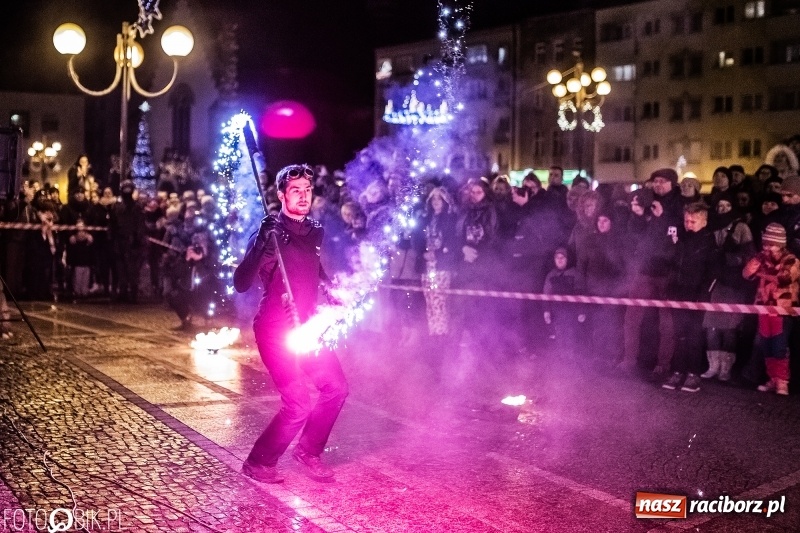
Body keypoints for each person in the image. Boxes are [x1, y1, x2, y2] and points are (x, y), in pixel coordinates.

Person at [233, 164, 348, 484]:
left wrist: (334, 293)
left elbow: (315, 272)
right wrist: (259, 243)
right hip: (274, 330)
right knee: (298, 401)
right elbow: (241, 282)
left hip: (307, 326)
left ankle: (308, 451)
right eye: (295, 190)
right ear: (281, 194)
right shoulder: (268, 231)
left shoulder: (315, 231)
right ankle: (258, 462)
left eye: (307, 190)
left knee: (336, 388)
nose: (302, 196)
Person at [742, 223, 800, 395]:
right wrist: (752, 267)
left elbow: (785, 278)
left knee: (779, 346)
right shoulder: (761, 257)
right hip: (763, 308)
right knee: (766, 346)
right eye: (765, 244)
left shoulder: (792, 260)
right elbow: (746, 274)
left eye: (772, 244)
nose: (768, 248)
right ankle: (773, 379)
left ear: (781, 244)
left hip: (782, 309)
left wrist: (762, 274)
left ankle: (783, 381)